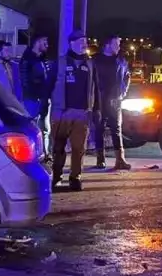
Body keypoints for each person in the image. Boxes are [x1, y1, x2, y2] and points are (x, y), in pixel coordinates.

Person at [51, 29, 98, 192]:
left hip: (82, 113)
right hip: (62, 112)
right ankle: (56, 176)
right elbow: (49, 84)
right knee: (58, 147)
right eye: (79, 42)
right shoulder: (61, 62)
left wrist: (96, 109)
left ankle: (75, 177)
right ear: (71, 44)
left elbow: (95, 88)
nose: (82, 45)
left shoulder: (90, 63)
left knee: (79, 148)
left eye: (84, 42)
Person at [92, 35, 132, 171]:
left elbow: (127, 77)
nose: (118, 47)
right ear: (107, 45)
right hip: (99, 100)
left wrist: (123, 92)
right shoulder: (95, 60)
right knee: (99, 129)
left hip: (115, 100)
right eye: (116, 44)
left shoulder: (121, 60)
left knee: (117, 130)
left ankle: (120, 160)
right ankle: (100, 159)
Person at [19, 33, 56, 159]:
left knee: (45, 129)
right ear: (37, 41)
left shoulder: (42, 58)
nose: (47, 44)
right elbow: (24, 81)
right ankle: (33, 155)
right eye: (45, 41)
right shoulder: (27, 59)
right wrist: (34, 95)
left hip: (45, 98)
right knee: (33, 128)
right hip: (33, 99)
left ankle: (45, 154)